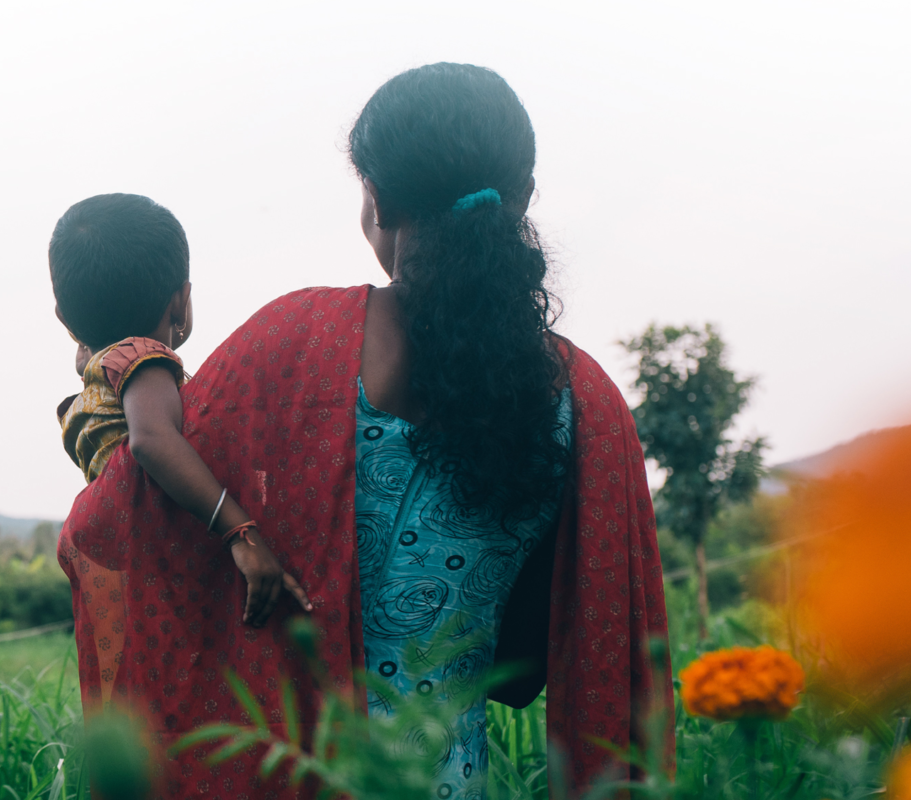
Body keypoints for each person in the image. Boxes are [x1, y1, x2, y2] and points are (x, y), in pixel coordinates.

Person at [58, 64, 672, 799]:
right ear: (523, 200)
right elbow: (590, 625)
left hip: (311, 773)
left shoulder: (295, 342)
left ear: (375, 203)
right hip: (451, 778)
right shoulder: (585, 402)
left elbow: (116, 514)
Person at [48, 193, 311, 634]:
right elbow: (150, 440)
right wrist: (240, 532)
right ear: (180, 300)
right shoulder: (143, 360)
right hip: (174, 543)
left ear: (66, 320)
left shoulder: (96, 366)